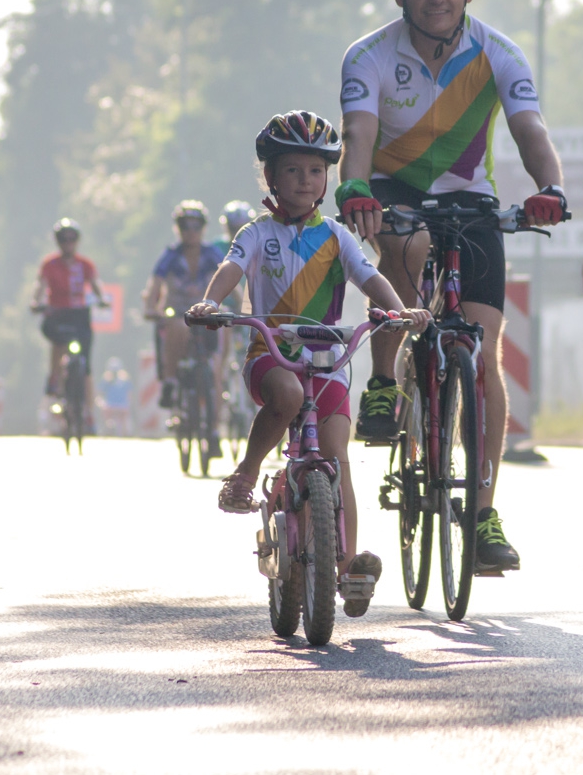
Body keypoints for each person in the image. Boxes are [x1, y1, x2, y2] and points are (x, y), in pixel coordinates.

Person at [336, 0, 566, 572]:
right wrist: (354, 188)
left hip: (470, 201)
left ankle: (485, 512)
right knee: (402, 253)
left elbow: (531, 132)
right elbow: (358, 137)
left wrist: (548, 187)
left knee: (485, 353)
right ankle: (384, 382)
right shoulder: (369, 56)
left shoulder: (499, 52)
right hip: (394, 194)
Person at [190, 111, 429, 618]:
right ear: (271, 177)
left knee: (338, 454)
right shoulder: (257, 233)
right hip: (270, 356)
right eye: (293, 170)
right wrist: (211, 303)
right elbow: (230, 269)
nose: (306, 180)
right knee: (289, 398)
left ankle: (346, 568)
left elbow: (370, 278)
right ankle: (247, 472)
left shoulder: (339, 236)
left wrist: (397, 310)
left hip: (329, 360)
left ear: (328, 179)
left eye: (317, 171)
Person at [143, 200, 224, 456]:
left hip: (206, 314)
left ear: (203, 228)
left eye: (195, 225)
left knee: (216, 370)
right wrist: (150, 308)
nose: (190, 231)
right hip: (178, 312)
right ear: (177, 228)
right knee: (176, 326)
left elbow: (228, 279)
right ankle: (169, 382)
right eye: (184, 226)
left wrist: (240, 304)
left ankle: (213, 429)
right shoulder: (170, 255)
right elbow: (154, 287)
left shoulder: (212, 254)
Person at [34, 219, 106, 410]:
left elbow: (96, 284)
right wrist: (36, 302)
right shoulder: (50, 264)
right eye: (63, 239)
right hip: (57, 313)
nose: (68, 243)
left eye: (71, 239)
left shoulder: (85, 264)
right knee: (59, 343)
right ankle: (55, 378)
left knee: (86, 365)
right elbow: (40, 286)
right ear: (58, 241)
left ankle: (88, 413)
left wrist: (103, 298)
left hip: (79, 314)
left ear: (77, 241)